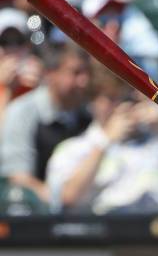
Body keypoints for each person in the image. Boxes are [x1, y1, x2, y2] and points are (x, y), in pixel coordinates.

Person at [46, 63, 158, 214]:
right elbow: (67, 199)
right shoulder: (74, 148)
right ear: (92, 102)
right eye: (111, 98)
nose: (119, 106)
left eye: (124, 97)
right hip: (111, 237)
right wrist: (106, 141)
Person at [0, 42, 92, 202]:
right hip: (36, 217)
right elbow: (18, 179)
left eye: (86, 73)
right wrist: (61, 202)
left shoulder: (89, 112)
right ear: (50, 74)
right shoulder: (22, 112)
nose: (83, 81)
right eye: (75, 73)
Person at [80, 0, 158, 81]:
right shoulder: (77, 71)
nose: (114, 26)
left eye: (118, 18)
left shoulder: (133, 69)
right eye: (104, 20)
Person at [0, 8, 43, 122]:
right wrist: (6, 88)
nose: (12, 48)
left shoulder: (36, 75)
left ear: (28, 46)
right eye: (4, 42)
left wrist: (40, 88)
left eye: (18, 41)